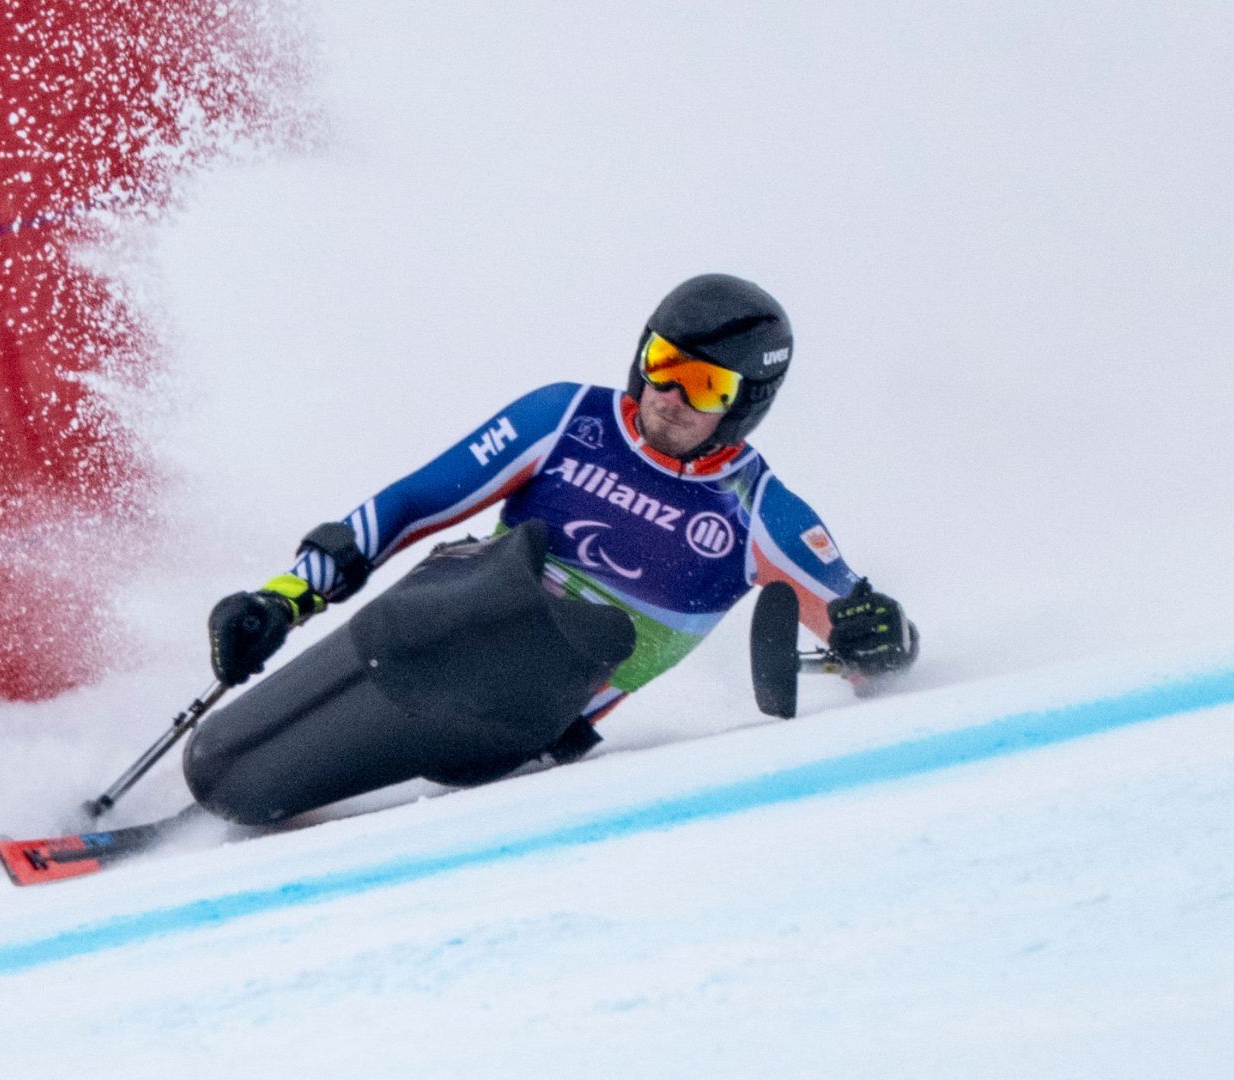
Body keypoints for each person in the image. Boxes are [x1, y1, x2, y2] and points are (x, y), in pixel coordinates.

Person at [189, 273, 917, 823]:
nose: (669, 395)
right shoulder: (567, 418)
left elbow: (872, 650)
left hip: (511, 726)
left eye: (703, 385)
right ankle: (236, 767)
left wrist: (881, 640)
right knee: (224, 761)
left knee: (565, 636)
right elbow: (413, 504)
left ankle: (257, 779)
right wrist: (282, 600)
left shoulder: (761, 515)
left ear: (746, 402)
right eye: (662, 364)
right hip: (429, 630)